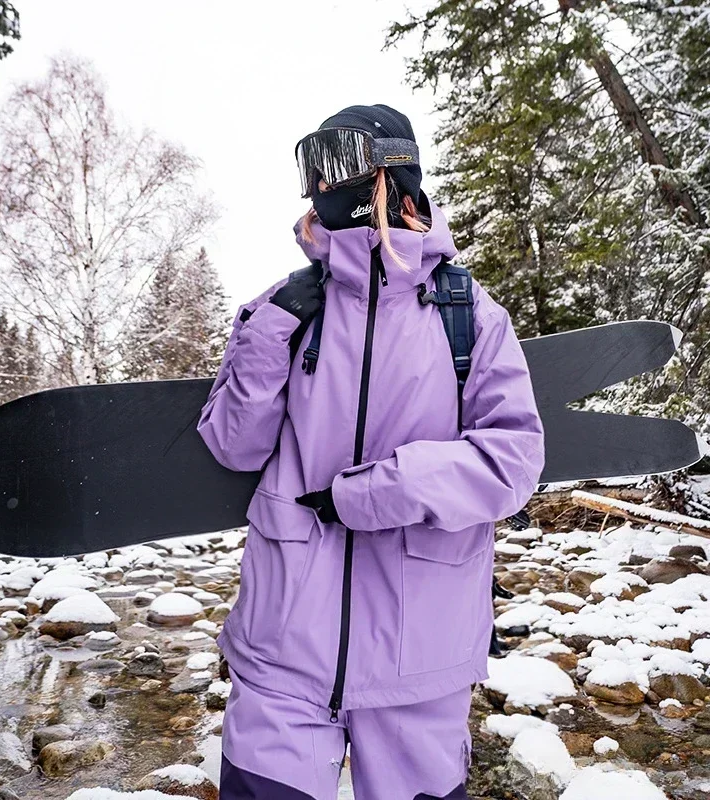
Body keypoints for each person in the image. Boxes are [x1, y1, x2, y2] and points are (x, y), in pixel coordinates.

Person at [197, 104, 545, 800]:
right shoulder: (286, 306)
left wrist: (377, 491)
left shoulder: (470, 315)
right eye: (313, 168)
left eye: (341, 163)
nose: (323, 186)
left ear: (392, 173)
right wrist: (269, 331)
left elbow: (513, 461)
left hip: (422, 653)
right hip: (282, 645)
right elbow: (233, 445)